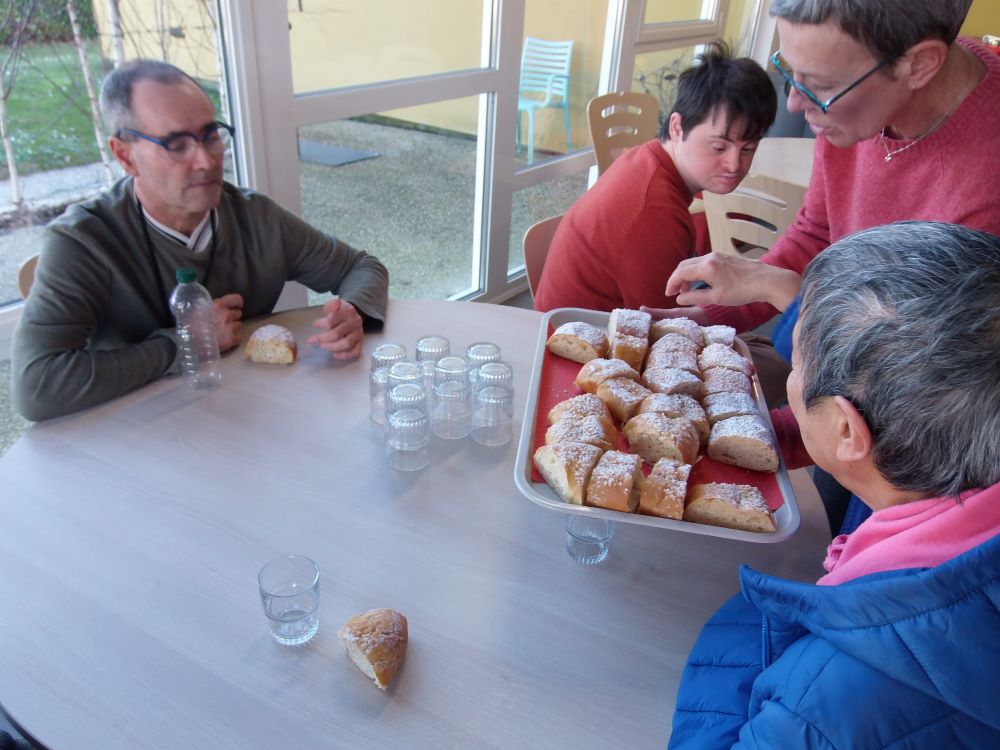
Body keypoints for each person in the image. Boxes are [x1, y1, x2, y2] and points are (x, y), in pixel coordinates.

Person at [651, 0, 1000, 535]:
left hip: (913, 468)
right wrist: (707, 320)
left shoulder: (985, 192)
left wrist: (785, 292)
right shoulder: (854, 111)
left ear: (920, 64)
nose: (795, 101)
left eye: (817, 84)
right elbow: (817, 230)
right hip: (840, 413)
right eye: (789, 70)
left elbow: (911, 401)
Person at [669, 221, 1000, 749]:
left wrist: (749, 624)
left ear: (848, 430)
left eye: (795, 367)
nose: (788, 383)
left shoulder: (829, 699)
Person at [12, 60, 388, 422]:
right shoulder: (83, 242)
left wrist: (351, 312)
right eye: (176, 144)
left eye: (210, 136)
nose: (206, 161)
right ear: (125, 156)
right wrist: (185, 343)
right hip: (132, 434)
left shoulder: (256, 217)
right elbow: (37, 386)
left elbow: (361, 267)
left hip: (248, 417)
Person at [533, 43, 776, 314]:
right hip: (575, 337)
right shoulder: (655, 210)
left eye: (748, 149)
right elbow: (666, 325)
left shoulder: (647, 159)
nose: (735, 164)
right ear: (677, 127)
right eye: (719, 147)